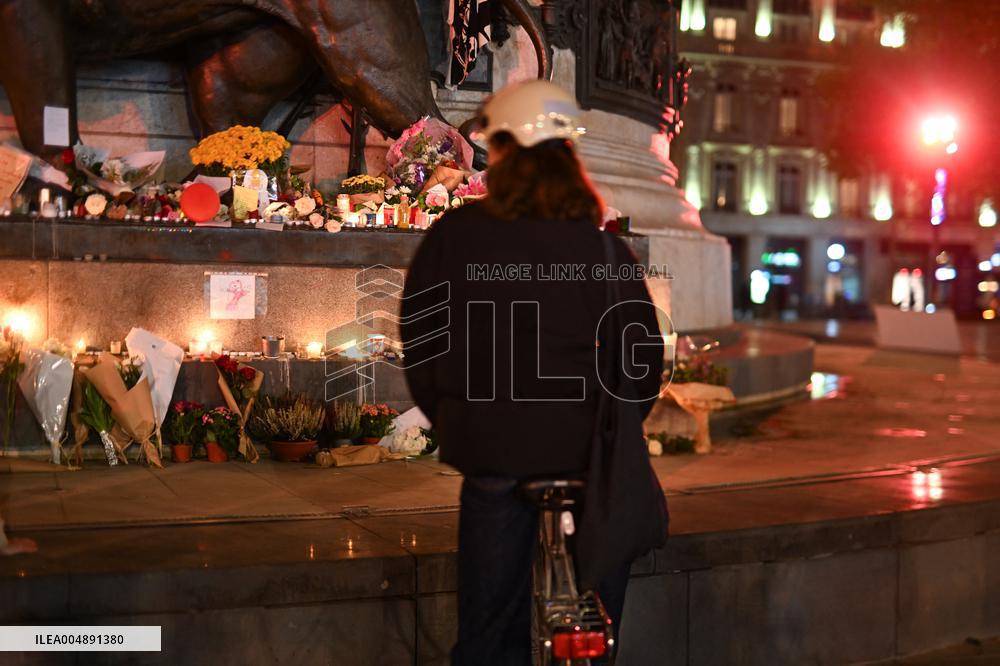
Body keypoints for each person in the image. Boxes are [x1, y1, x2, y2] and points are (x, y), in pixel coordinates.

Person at [401, 80, 664, 665]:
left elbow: (421, 344)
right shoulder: (605, 252)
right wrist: (614, 425)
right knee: (596, 608)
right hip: (586, 457)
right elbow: (643, 360)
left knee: (488, 636)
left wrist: (452, 416)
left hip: (493, 449)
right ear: (569, 159)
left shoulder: (455, 236)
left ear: (502, 155)